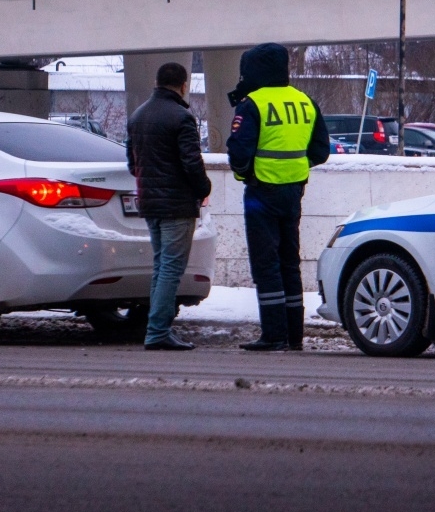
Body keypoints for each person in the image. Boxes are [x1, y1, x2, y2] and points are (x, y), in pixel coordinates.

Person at [226, 43, 329, 351]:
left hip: (262, 193)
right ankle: (294, 336)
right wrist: (294, 169)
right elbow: (320, 151)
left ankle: (273, 335)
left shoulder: (252, 103)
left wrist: (249, 174)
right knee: (289, 263)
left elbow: (238, 154)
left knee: (266, 263)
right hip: (294, 192)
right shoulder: (304, 101)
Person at [126, 61, 212, 351]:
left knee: (161, 265)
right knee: (171, 268)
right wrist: (204, 189)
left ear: (157, 81)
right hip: (176, 205)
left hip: (149, 203)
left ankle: (154, 327)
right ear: (183, 85)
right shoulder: (182, 118)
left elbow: (131, 164)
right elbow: (191, 162)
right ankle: (158, 330)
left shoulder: (137, 116)